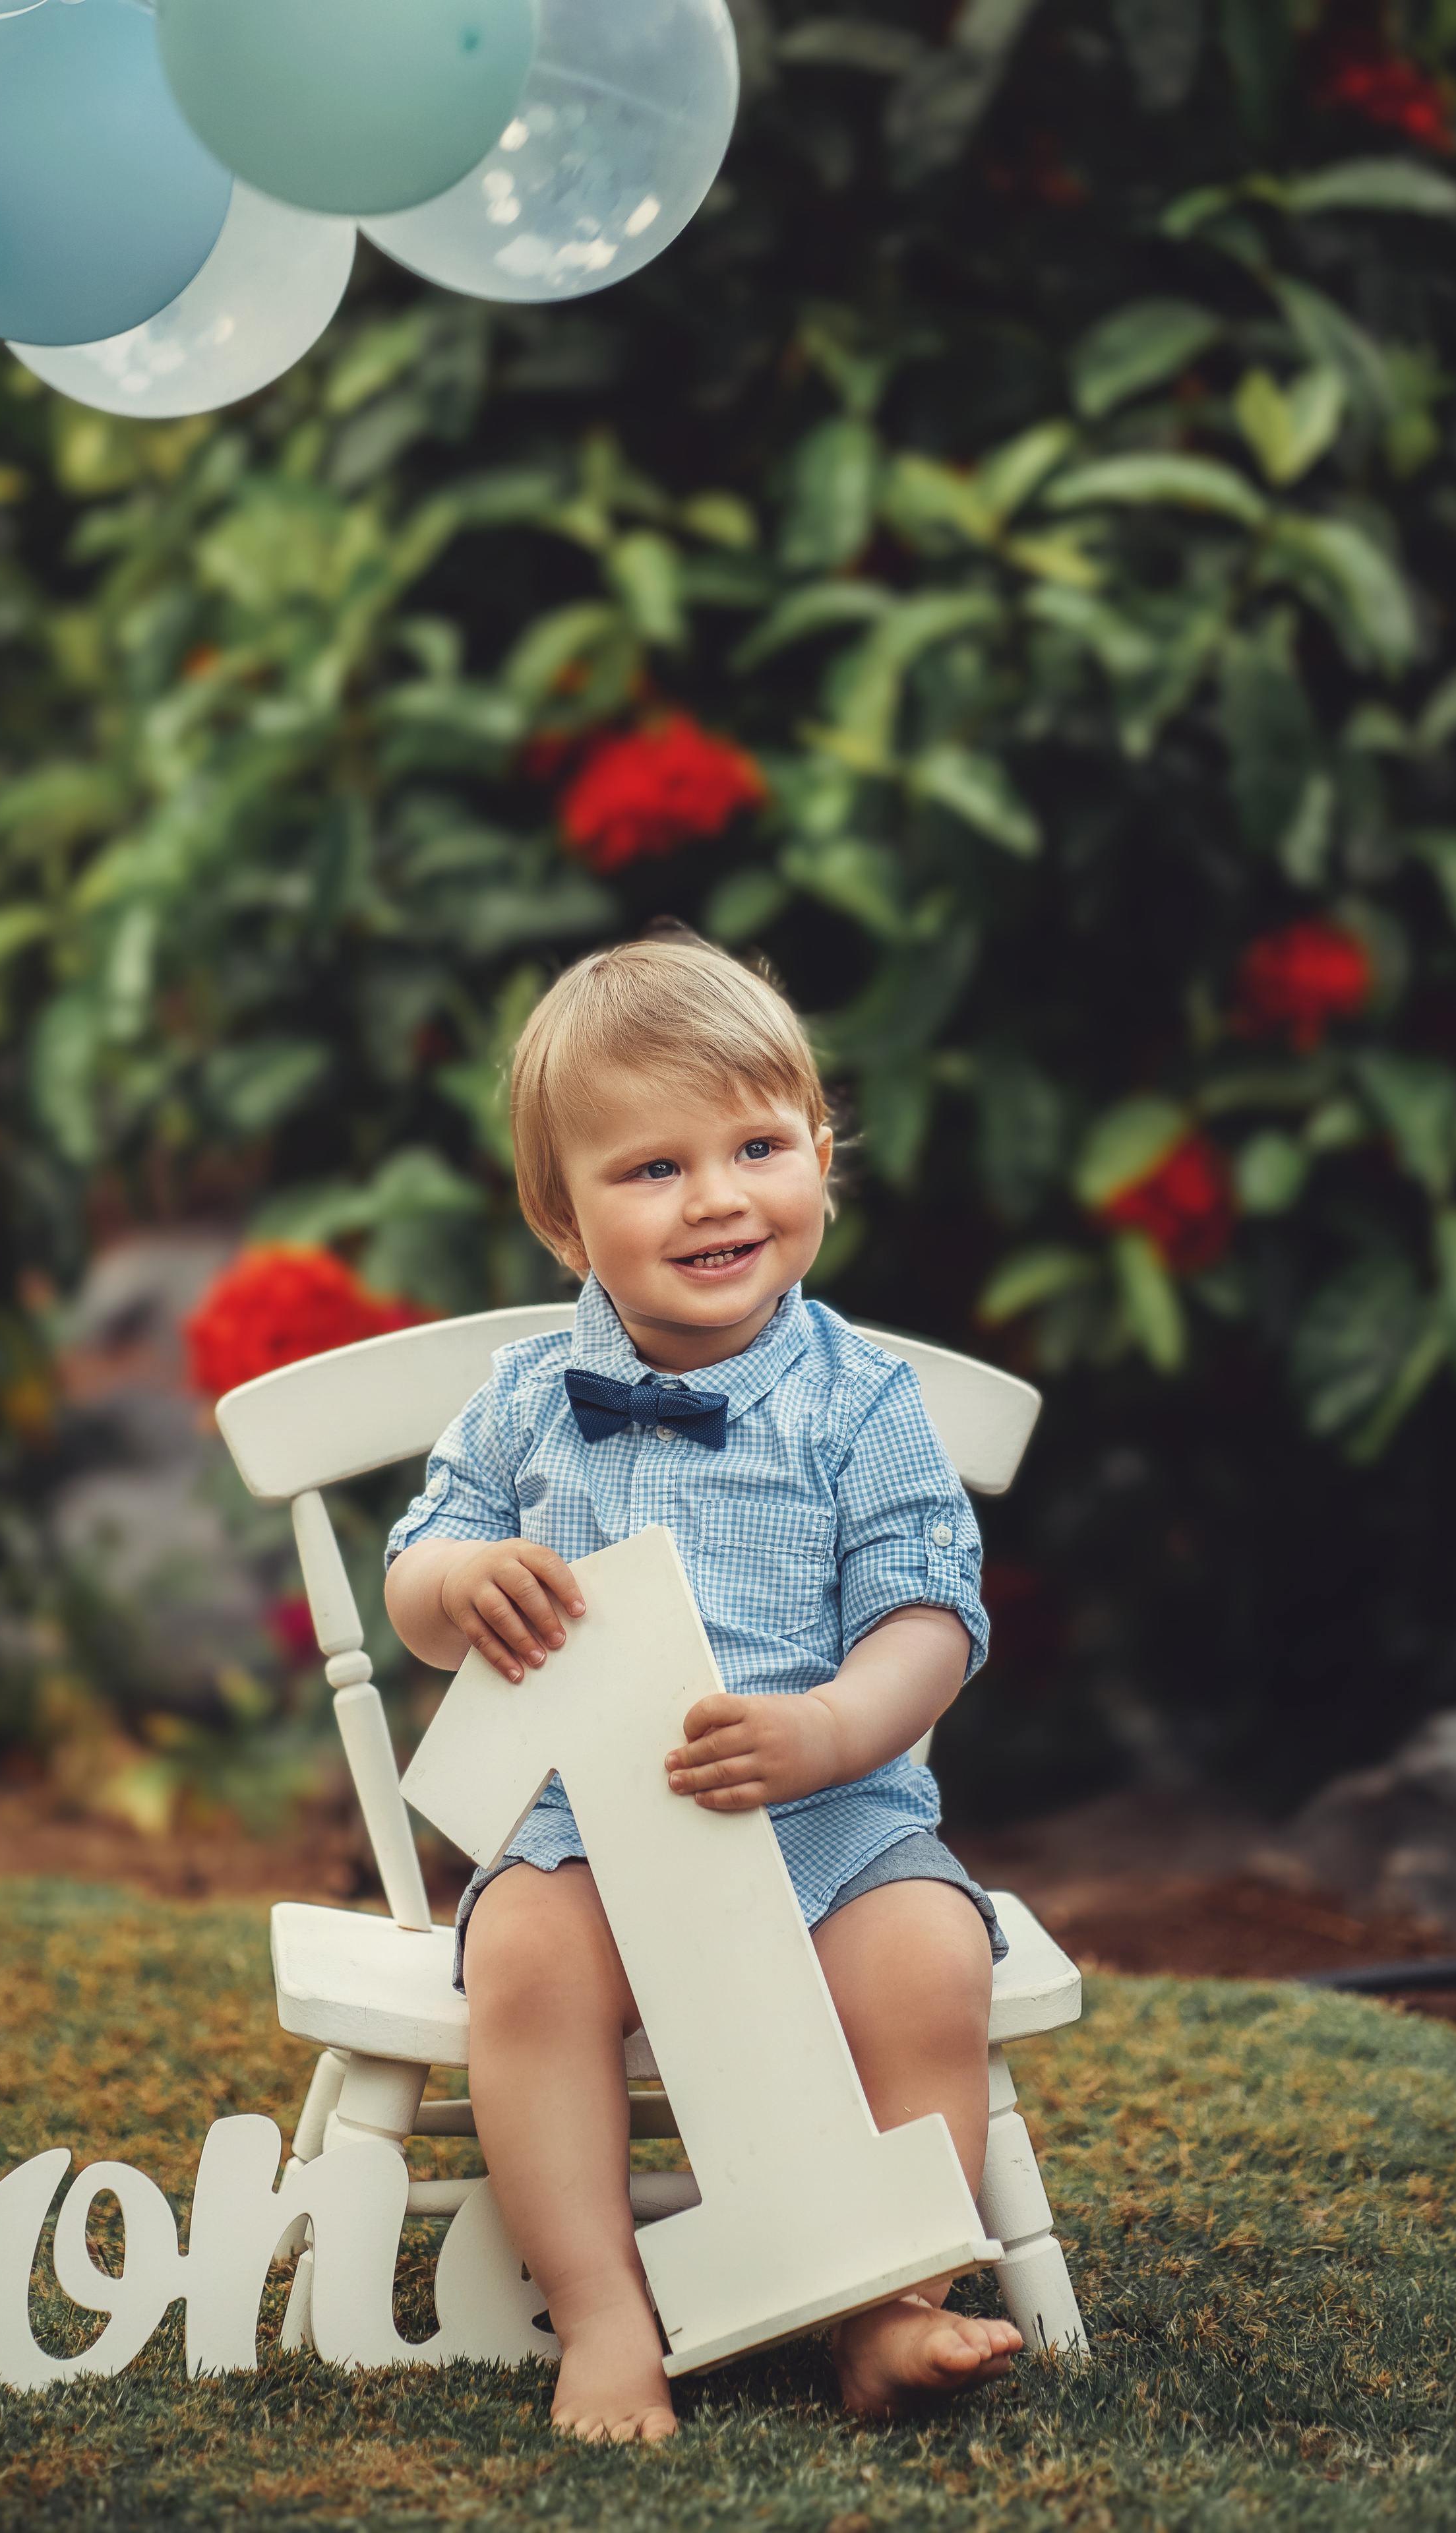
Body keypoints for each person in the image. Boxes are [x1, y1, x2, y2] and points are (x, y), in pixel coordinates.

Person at [384, 929, 1023, 2441]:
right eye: (652, 1169)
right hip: (588, 1831)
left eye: (754, 1145)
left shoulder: (861, 1400)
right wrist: (455, 1586)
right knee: (527, 1965)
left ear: (818, 1153)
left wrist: (827, 1731)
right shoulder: (530, 1400)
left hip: (828, 1809)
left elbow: (929, 1617)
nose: (718, 1196)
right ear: (563, 1217)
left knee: (928, 1963)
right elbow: (417, 1565)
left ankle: (891, 2308)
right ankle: (604, 2320)